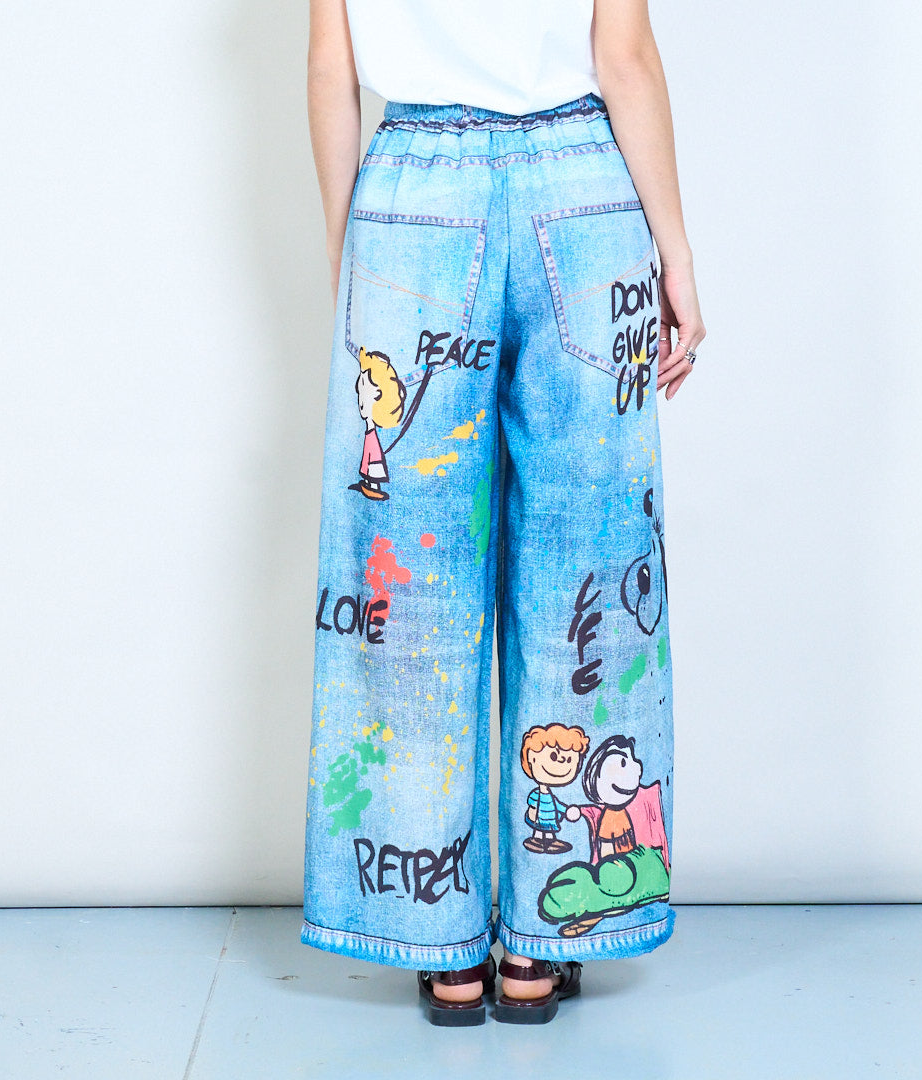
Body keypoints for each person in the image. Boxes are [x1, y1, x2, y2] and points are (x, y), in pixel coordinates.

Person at [302, 0, 706, 1026]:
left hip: (413, 199)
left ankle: (436, 940)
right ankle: (547, 937)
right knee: (589, 567)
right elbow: (625, 56)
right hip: (582, 192)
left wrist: (354, 251)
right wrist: (676, 252)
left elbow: (330, 69)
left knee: (406, 581)